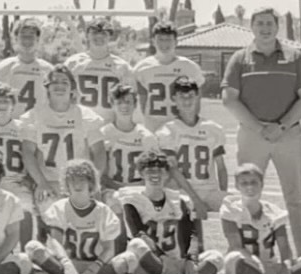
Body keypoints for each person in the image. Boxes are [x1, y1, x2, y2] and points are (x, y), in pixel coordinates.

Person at [222, 6, 301, 255]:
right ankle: (243, 256)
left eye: (269, 24)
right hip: (253, 135)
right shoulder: (240, 59)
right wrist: (260, 128)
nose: (265, 28)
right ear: (251, 27)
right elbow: (229, 99)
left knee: (295, 199)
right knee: (246, 196)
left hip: (288, 134)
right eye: (260, 23)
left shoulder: (295, 57)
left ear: (277, 27)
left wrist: (281, 126)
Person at [108, 151, 223, 274]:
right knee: (136, 244)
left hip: (174, 263)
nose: (155, 175)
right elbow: (139, 233)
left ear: (167, 174)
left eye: (159, 171)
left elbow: (192, 234)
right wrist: (163, 257)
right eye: (150, 171)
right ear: (142, 174)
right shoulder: (132, 200)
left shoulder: (178, 200)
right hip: (148, 263)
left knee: (216, 257)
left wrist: (190, 259)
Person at [220, 163, 301, 274]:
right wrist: (262, 268)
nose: (249, 187)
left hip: (270, 265)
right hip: (248, 265)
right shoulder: (230, 209)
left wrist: (285, 267)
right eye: (244, 183)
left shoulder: (273, 212)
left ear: (262, 184)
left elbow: (284, 247)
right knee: (233, 259)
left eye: (253, 182)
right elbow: (236, 246)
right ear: (237, 186)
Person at [24, 160, 123, 274]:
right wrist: (66, 264)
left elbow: (109, 249)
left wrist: (93, 270)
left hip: (94, 265)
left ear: (91, 183)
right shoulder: (59, 207)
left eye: (82, 180)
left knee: (129, 259)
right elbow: (56, 242)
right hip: (68, 264)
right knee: (33, 247)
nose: (77, 184)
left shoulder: (103, 211)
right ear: (66, 184)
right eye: (72, 180)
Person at [18, 65, 106, 209]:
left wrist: (94, 182)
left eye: (64, 82)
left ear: (72, 88)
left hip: (79, 182)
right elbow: (28, 152)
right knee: (50, 212)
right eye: (55, 82)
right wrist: (41, 182)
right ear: (47, 87)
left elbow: (99, 152)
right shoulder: (34, 116)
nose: (60, 86)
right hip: (50, 181)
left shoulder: (86, 116)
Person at [157, 76, 228, 217]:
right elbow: (173, 169)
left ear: (197, 97)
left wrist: (223, 194)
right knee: (181, 208)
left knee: (238, 207)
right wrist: (196, 199)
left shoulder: (213, 128)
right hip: (182, 191)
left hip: (209, 191)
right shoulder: (167, 130)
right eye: (181, 97)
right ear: (174, 99)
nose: (187, 100)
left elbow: (221, 167)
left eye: (190, 96)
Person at [133, 21, 206, 133]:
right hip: (154, 128)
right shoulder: (142, 68)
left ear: (176, 42)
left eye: (168, 39)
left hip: (181, 129)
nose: (164, 44)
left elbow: (196, 103)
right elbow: (142, 103)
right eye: (160, 39)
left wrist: (190, 126)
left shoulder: (190, 67)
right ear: (153, 41)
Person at [0, 83, 35, 243]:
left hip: (16, 181)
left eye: (6, 101)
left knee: (25, 209)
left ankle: (27, 251)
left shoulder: (23, 128)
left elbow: (33, 155)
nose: (2, 105)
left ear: (13, 105)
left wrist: (30, 177)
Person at [63, 19, 135, 124]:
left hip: (109, 127)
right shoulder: (73, 63)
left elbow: (130, 101)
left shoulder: (122, 67)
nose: (99, 37)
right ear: (87, 35)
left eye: (104, 33)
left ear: (110, 36)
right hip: (80, 125)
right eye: (95, 33)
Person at [97, 84, 159, 193]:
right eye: (119, 102)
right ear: (112, 104)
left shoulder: (146, 136)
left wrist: (134, 189)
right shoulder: (104, 134)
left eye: (128, 102)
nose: (124, 106)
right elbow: (102, 174)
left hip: (141, 191)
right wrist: (121, 188)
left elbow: (154, 173)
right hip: (112, 191)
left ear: (135, 104)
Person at [0, 18, 54, 113]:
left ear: (38, 40)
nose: (27, 40)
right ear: (15, 39)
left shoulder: (48, 70)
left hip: (39, 124)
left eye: (31, 36)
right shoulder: (3, 68)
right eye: (23, 36)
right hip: (12, 124)